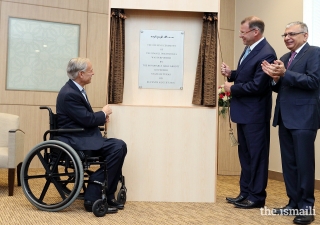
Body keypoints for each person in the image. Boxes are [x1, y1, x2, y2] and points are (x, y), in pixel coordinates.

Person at [261, 21, 320, 225]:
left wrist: (285, 74)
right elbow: (281, 87)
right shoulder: (285, 58)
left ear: (305, 35)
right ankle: (293, 202)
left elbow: (313, 81)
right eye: (284, 35)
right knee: (290, 164)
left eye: (292, 34)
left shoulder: (314, 53)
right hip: (285, 117)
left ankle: (306, 207)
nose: (287, 38)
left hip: (304, 117)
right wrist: (274, 78)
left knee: (304, 164)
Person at [56, 57, 127, 213]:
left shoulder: (75, 90)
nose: (93, 73)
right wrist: (103, 113)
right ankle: (93, 195)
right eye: (90, 71)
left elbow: (83, 118)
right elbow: (87, 119)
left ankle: (106, 194)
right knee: (118, 146)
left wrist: (99, 118)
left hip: (82, 136)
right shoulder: (69, 94)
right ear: (81, 74)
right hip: (76, 140)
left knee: (119, 146)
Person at [220, 16, 276, 209]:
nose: (240, 36)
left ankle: (257, 196)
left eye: (243, 32)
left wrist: (231, 88)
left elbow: (257, 86)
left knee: (257, 156)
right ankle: (245, 192)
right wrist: (232, 74)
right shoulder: (250, 48)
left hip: (255, 115)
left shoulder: (267, 53)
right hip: (244, 113)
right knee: (245, 155)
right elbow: (247, 74)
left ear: (255, 32)